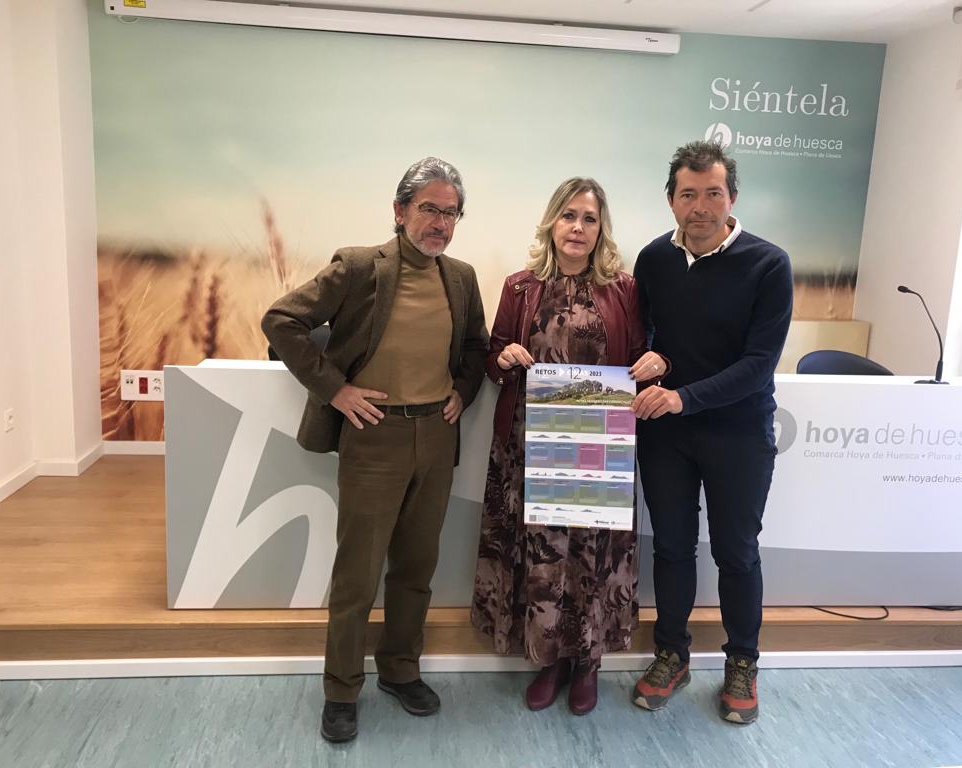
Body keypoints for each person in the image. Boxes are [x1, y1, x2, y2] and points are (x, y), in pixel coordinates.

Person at [262, 157, 488, 743]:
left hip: (436, 438)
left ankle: (400, 670)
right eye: (429, 208)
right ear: (400, 211)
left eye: (450, 212)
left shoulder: (460, 277)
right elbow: (281, 320)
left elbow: (475, 346)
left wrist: (463, 392)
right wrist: (335, 391)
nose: (440, 222)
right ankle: (341, 689)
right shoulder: (362, 266)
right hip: (375, 436)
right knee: (358, 572)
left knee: (416, 566)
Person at [471, 177, 659, 715]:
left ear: (602, 230)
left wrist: (656, 363)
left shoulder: (624, 288)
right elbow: (493, 353)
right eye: (569, 216)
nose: (578, 228)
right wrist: (502, 357)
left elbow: (644, 351)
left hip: (598, 443)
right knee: (545, 554)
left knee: (593, 554)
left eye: (589, 219)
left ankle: (588, 661)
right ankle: (550, 657)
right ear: (552, 222)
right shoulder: (519, 286)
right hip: (533, 445)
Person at [629, 141, 793, 725]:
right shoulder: (652, 260)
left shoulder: (768, 264)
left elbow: (758, 363)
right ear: (671, 200)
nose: (700, 207)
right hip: (666, 436)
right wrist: (653, 363)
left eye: (712, 193)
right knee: (671, 547)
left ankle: (742, 662)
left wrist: (683, 396)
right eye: (688, 194)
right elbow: (644, 338)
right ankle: (671, 653)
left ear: (732, 198)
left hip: (739, 435)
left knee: (736, 552)